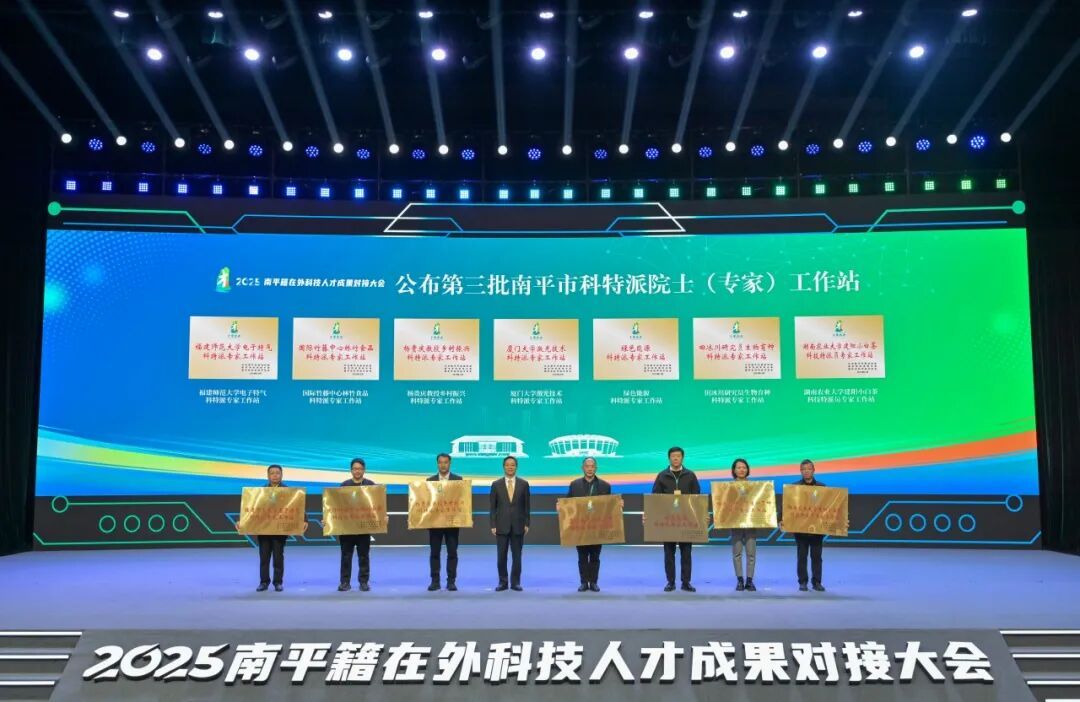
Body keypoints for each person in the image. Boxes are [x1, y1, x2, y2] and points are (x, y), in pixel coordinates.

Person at [243, 464, 308, 592]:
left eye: (277, 473)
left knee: (278, 557)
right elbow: (252, 509)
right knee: (264, 557)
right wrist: (243, 521)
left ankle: (278, 582)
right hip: (264, 530)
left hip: (280, 530)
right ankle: (264, 582)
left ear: (281, 475)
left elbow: (297, 506)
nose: (275, 475)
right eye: (272, 473)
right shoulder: (260, 492)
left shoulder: (289, 491)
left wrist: (304, 519)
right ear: (268, 476)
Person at [651, 447, 701, 592]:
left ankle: (686, 582)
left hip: (686, 520)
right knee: (669, 553)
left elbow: (697, 497)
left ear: (682, 458)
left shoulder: (690, 475)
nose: (676, 458)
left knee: (686, 553)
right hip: (668, 521)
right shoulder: (662, 475)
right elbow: (655, 498)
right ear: (669, 458)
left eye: (678, 456)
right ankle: (670, 582)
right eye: (673, 456)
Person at [563, 457, 613, 592]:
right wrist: (560, 507)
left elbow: (609, 507)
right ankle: (584, 582)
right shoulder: (574, 485)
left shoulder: (605, 486)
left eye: (592, 466)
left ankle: (594, 582)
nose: (590, 469)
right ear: (582, 468)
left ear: (596, 468)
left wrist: (618, 505)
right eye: (587, 466)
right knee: (582, 556)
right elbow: (567, 504)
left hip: (598, 527)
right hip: (580, 528)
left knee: (595, 556)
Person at [490, 455, 530, 591]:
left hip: (518, 525)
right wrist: (493, 524)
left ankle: (515, 582)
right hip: (501, 525)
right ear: (503, 467)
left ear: (516, 467)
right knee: (501, 556)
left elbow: (527, 506)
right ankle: (503, 582)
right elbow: (492, 507)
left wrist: (527, 523)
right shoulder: (496, 485)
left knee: (517, 556)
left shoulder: (524, 484)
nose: (510, 467)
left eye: (512, 465)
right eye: (507, 465)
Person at [785, 459, 827, 592]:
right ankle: (802, 582)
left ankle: (817, 582)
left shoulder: (822, 487)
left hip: (817, 530)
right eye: (804, 469)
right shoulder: (794, 488)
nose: (806, 471)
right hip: (800, 529)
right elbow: (786, 505)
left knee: (816, 557)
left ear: (813, 470)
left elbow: (828, 507)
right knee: (802, 556)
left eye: (809, 469)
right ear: (800, 471)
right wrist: (781, 519)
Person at [335, 458, 374, 592]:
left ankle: (364, 582)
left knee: (364, 556)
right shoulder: (344, 485)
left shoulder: (370, 485)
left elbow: (377, 505)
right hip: (347, 529)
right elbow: (336, 506)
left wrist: (383, 517)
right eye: (355, 469)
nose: (357, 471)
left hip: (364, 528)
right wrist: (329, 520)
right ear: (351, 470)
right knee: (346, 556)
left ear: (364, 470)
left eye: (360, 469)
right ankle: (345, 582)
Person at [427, 452, 463, 591]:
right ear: (437, 464)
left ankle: (451, 581)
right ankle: (435, 581)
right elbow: (426, 502)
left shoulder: (458, 480)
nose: (443, 465)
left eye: (445, 462)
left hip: (452, 523)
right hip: (435, 524)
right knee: (434, 553)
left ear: (450, 463)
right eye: (440, 462)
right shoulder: (430, 481)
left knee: (452, 553)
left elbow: (462, 501)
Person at [729, 458, 757, 592]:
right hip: (736, 524)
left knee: (751, 553)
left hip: (751, 523)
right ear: (734, 470)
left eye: (744, 467)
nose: (741, 470)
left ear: (747, 470)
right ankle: (740, 580)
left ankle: (749, 581)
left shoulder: (755, 487)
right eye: (739, 467)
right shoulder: (728, 487)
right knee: (737, 553)